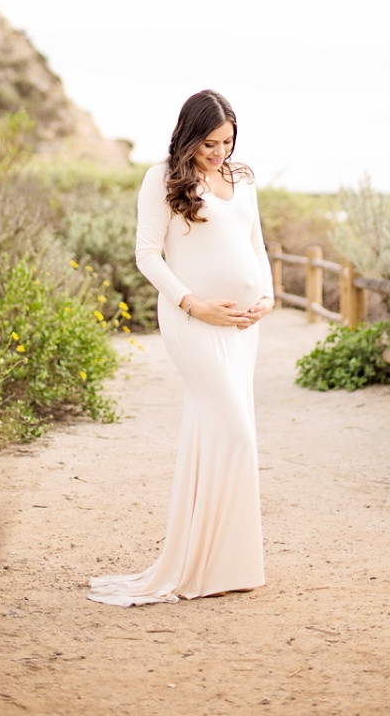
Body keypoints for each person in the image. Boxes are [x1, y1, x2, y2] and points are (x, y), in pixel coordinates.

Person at [87, 89, 274, 606]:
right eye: (211, 143)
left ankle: (226, 566)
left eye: (228, 142)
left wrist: (268, 295)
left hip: (242, 328)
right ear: (189, 135)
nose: (220, 153)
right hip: (191, 322)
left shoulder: (244, 178)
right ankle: (198, 564)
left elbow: (256, 244)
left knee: (216, 434)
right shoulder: (162, 179)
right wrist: (195, 304)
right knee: (236, 434)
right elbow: (147, 255)